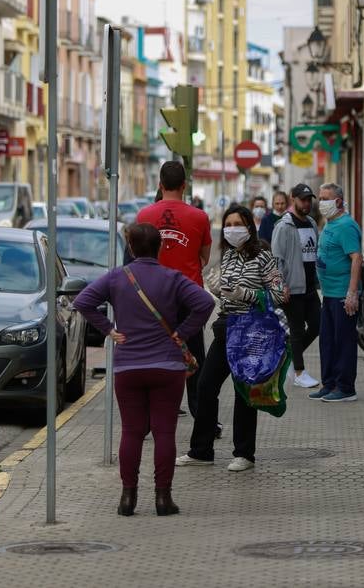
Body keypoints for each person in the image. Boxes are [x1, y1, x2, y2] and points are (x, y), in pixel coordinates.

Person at [73, 223, 214, 516]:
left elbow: (83, 301)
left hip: (128, 367)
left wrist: (109, 330)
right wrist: (183, 331)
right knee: (165, 433)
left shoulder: (116, 277)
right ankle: (163, 499)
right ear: (160, 247)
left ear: (131, 248)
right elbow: (203, 302)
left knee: (132, 432)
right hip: (167, 366)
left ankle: (128, 498)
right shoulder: (172, 277)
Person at [176, 203, 286, 472]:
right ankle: (201, 450)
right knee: (205, 385)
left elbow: (281, 294)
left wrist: (245, 294)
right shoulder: (226, 256)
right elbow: (225, 289)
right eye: (228, 224)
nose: (232, 229)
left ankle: (244, 453)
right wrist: (218, 290)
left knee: (244, 392)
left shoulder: (262, 256)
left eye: (238, 224)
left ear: (249, 227)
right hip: (226, 327)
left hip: (250, 330)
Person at [137, 161, 212, 420]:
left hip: (153, 300)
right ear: (184, 185)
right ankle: (203, 420)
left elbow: (137, 257)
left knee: (151, 359)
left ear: (159, 185)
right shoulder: (200, 217)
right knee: (194, 361)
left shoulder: (144, 216)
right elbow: (205, 257)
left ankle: (148, 419)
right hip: (189, 300)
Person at [310, 183, 362, 403]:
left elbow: (356, 258)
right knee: (328, 341)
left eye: (325, 198)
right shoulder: (330, 223)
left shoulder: (346, 226)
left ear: (338, 201)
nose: (321, 203)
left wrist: (351, 293)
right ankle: (329, 384)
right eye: (320, 198)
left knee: (344, 341)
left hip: (342, 294)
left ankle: (345, 387)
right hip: (329, 294)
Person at [271, 184, 321, 388]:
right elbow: (276, 259)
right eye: (302, 199)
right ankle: (299, 372)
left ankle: (290, 358)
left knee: (318, 325)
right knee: (297, 330)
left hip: (310, 287)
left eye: (309, 199)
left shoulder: (310, 222)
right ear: (293, 199)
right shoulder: (284, 226)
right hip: (292, 287)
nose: (306, 203)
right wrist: (280, 285)